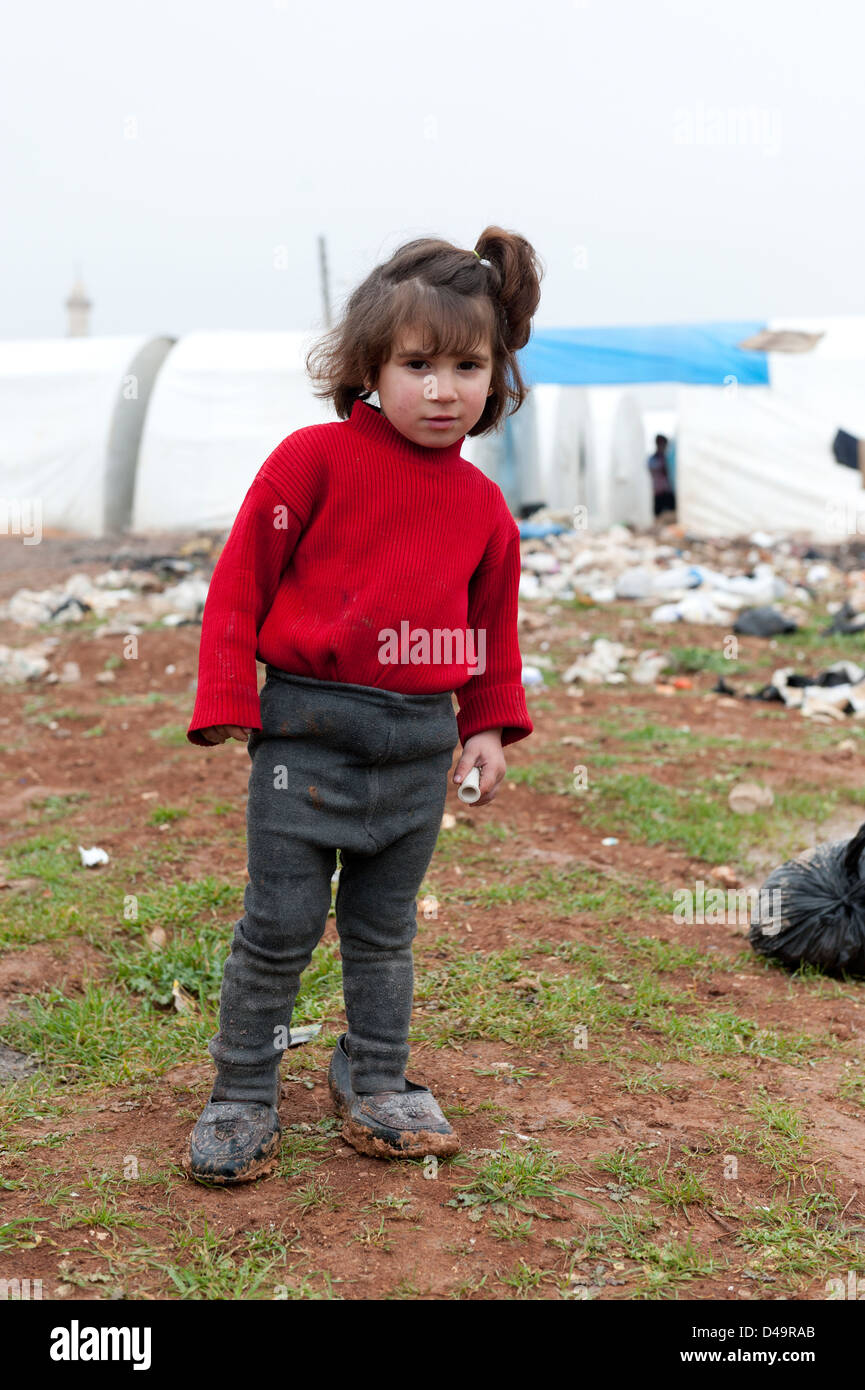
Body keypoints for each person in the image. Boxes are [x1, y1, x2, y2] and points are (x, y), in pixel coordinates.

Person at [182, 226, 543, 1182]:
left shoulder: (483, 510)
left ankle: (376, 1078)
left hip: (418, 755)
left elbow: (489, 633)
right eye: (417, 364)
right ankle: (241, 1095)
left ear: (494, 375)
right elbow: (240, 581)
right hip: (308, 741)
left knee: (385, 932)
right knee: (281, 926)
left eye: (466, 365)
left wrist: (489, 726)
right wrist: (228, 693)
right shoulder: (313, 460)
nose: (441, 389)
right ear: (369, 369)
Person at [647, 433, 676, 516]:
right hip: (658, 492)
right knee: (658, 514)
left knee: (672, 513)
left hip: (668, 492)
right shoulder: (653, 459)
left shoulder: (668, 458)